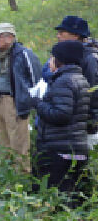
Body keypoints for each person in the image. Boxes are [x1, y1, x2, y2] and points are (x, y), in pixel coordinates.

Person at [32, 41, 90, 205]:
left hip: (58, 150)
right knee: (71, 199)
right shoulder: (81, 79)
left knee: (53, 198)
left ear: (60, 60)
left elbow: (61, 114)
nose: (50, 60)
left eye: (52, 57)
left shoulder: (63, 81)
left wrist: (38, 103)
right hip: (75, 148)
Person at [0, 22, 42, 174]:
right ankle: (6, 176)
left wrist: (30, 105)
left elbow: (36, 81)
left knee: (19, 143)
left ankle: (22, 178)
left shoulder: (24, 54)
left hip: (14, 103)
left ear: (9, 37)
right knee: (0, 141)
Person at [42, 16, 98, 133]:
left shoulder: (89, 58)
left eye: (62, 32)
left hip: (83, 123)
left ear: (76, 35)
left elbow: (90, 92)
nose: (58, 35)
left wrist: (89, 121)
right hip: (67, 119)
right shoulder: (65, 53)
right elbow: (45, 72)